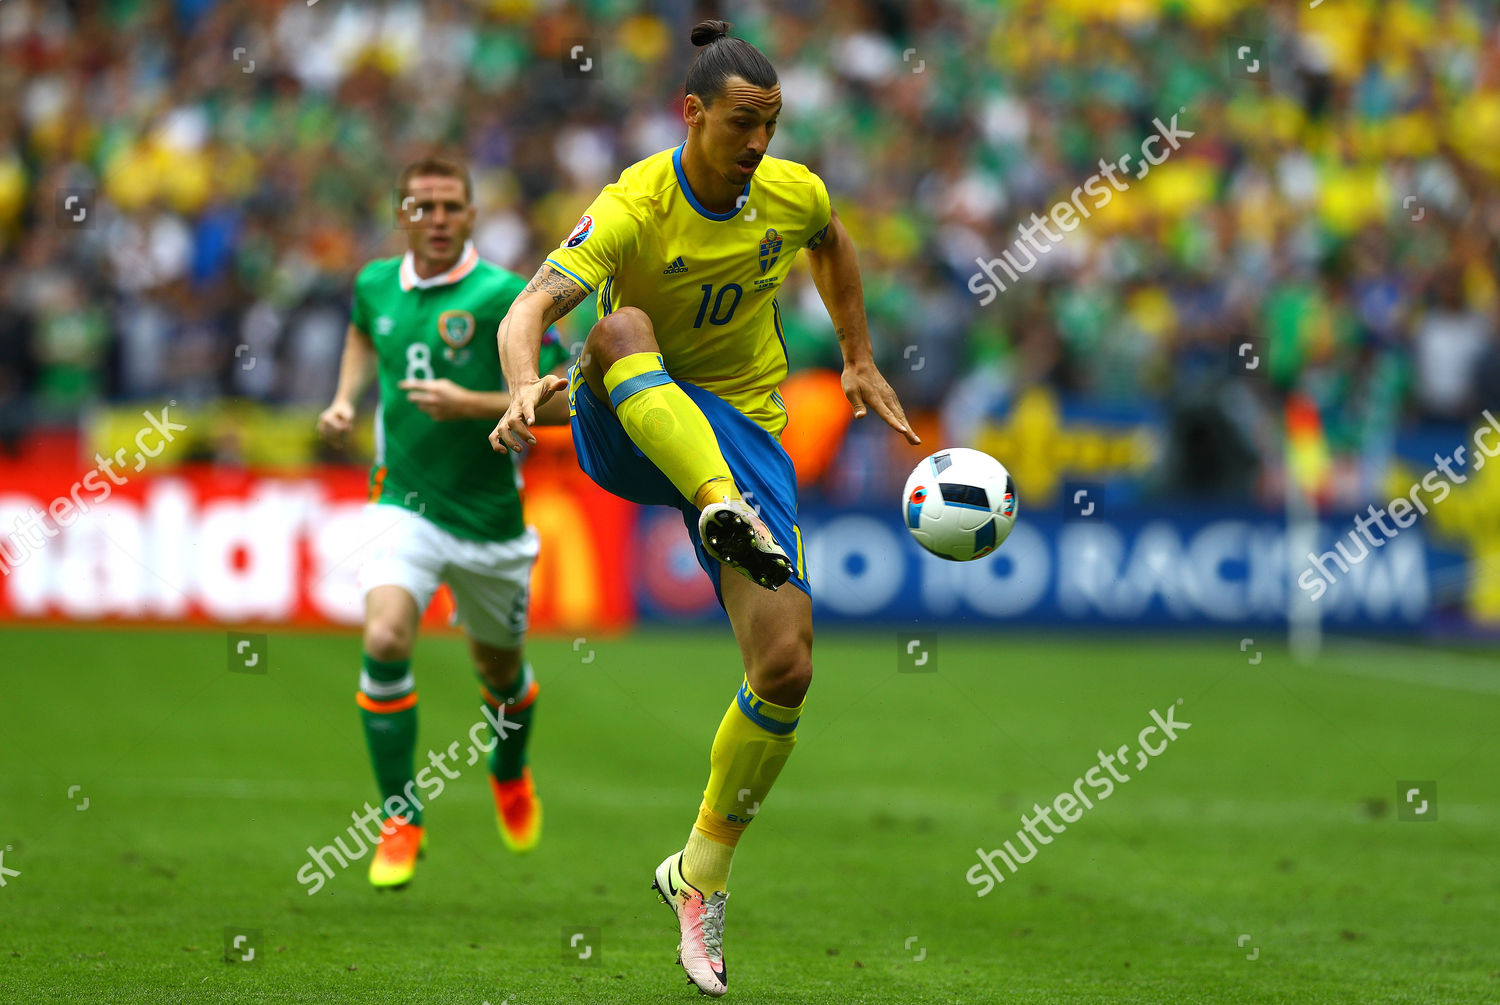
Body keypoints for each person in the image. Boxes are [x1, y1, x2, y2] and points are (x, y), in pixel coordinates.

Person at [488, 21, 919, 996]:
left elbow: (831, 243)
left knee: (787, 666)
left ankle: (699, 874)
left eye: (770, 122)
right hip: (630, 419)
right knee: (620, 326)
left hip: (744, 427)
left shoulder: (791, 191)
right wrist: (522, 386)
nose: (758, 140)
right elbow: (530, 310)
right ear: (692, 113)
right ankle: (717, 506)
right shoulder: (634, 203)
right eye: (741, 122)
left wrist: (855, 352)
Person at [318, 157, 569, 889]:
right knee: (387, 635)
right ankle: (400, 815)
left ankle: (511, 769)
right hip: (403, 503)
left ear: (470, 216)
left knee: (499, 673)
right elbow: (365, 333)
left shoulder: (502, 296)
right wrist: (344, 397)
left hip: (490, 520)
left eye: (449, 206)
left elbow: (565, 400)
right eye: (421, 205)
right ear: (403, 213)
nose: (435, 218)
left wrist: (470, 403)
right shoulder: (372, 284)